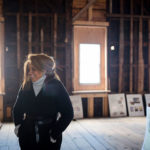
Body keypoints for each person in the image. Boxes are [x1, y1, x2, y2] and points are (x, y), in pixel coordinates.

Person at [13, 53, 74, 150]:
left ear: (44, 70)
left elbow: (68, 113)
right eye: (29, 69)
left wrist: (54, 133)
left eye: (33, 69)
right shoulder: (26, 86)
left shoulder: (56, 86)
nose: (30, 72)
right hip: (27, 135)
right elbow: (17, 109)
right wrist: (18, 127)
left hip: (49, 136)